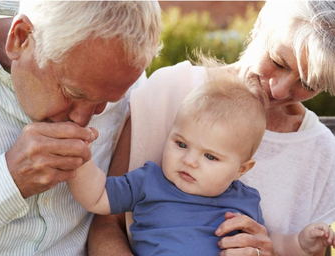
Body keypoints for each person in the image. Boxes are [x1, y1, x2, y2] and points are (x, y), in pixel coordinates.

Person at [87, 1, 335, 256]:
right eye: (278, 62)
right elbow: (107, 222)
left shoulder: (322, 152)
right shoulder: (170, 90)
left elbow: (312, 250)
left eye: (309, 82)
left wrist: (267, 251)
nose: (280, 89)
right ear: (260, 25)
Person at [0, 1, 161, 255]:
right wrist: (10, 180)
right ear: (20, 38)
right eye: (72, 92)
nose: (83, 120)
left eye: (106, 103)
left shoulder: (125, 80)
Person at [69, 72, 267, 255]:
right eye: (181, 144)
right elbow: (96, 196)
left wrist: (298, 242)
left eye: (210, 157)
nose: (189, 161)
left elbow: (268, 243)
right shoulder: (149, 181)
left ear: (240, 170)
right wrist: (80, 158)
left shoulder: (246, 201)